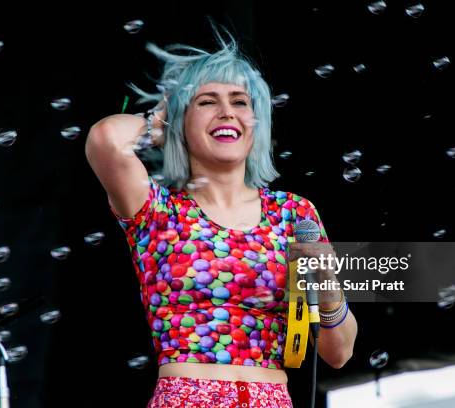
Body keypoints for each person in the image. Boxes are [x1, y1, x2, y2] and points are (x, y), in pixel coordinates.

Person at [85, 24, 357, 408]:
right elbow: (106, 140)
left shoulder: (294, 212)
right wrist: (164, 121)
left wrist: (327, 285)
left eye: (240, 102)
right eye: (207, 102)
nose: (226, 112)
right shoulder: (158, 209)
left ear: (256, 122)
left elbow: (339, 352)